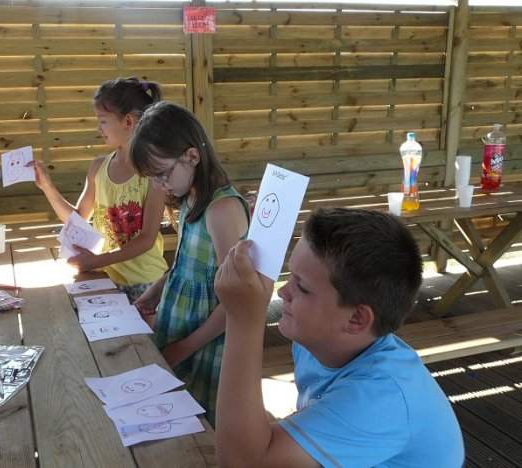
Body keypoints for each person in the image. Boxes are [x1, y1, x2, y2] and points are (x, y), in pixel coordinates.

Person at [214, 208, 464, 467]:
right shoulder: (319, 342)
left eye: (301, 287)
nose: (282, 292)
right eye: (290, 277)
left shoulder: (379, 397)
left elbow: (241, 463)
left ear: (356, 319)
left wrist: (243, 320)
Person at [130, 101, 250, 425]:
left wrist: (183, 348)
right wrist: (155, 292)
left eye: (162, 174)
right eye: (152, 178)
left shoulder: (222, 210)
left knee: (200, 427)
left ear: (192, 156)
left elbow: (236, 300)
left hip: (204, 344)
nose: (159, 186)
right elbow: (186, 265)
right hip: (180, 330)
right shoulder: (191, 199)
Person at [29, 77, 167, 301]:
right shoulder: (98, 167)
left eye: (102, 121)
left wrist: (96, 261)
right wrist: (47, 186)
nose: (98, 128)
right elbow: (78, 219)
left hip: (146, 284)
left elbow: (146, 239)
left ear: (128, 121)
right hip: (103, 279)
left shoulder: (153, 173)